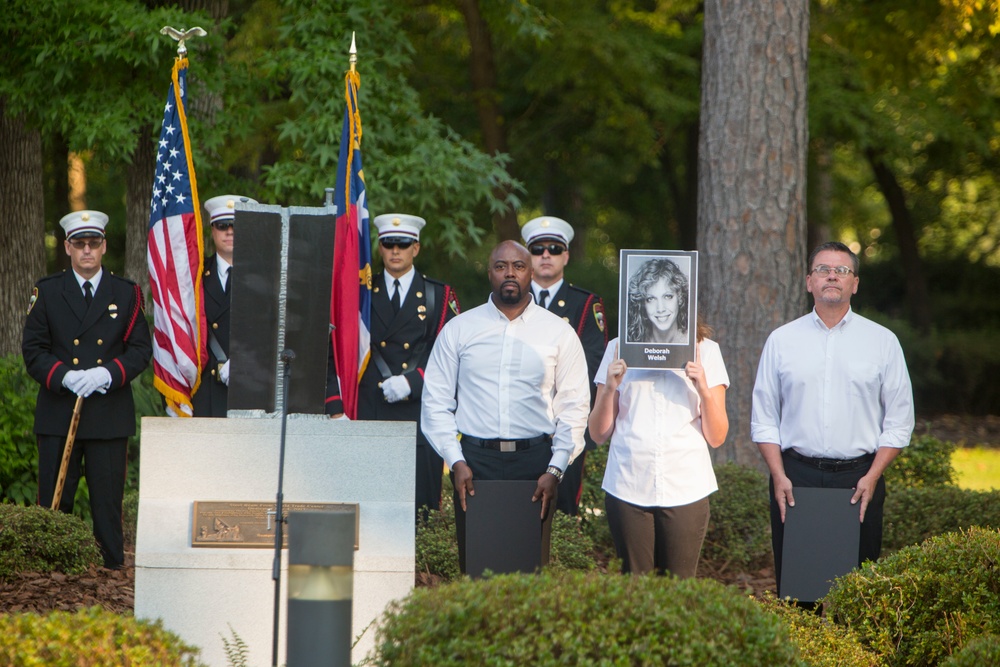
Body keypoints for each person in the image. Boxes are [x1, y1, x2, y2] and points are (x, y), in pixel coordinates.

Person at [751, 241, 914, 594]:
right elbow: (764, 417)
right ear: (809, 281)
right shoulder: (781, 341)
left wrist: (874, 475)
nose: (832, 276)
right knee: (798, 590)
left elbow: (900, 421)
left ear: (854, 283)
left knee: (858, 594)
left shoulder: (882, 342)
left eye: (842, 271)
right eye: (823, 269)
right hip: (795, 479)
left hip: (860, 481)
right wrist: (777, 475)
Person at [421, 240, 591, 572]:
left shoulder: (559, 333)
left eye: (518, 266)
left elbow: (574, 406)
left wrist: (555, 469)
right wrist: (455, 462)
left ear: (530, 272)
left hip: (536, 466)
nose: (509, 273)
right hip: (474, 466)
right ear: (489, 273)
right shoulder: (459, 329)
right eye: (501, 266)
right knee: (476, 567)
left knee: (529, 570)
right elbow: (436, 403)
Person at [22, 210, 152, 569]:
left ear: (104, 246)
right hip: (59, 411)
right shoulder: (46, 292)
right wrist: (64, 375)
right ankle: (48, 572)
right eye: (79, 244)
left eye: (94, 243)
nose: (87, 251)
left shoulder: (125, 294)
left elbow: (141, 350)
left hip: (107, 414)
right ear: (67, 247)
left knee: (107, 504)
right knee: (54, 499)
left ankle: (110, 571)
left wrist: (107, 374)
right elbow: (33, 351)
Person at [588, 319, 729, 577]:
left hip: (686, 486)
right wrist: (609, 388)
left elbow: (717, 436)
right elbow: (598, 433)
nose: (661, 307)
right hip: (628, 485)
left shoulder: (706, 350)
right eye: (651, 296)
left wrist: (704, 390)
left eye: (669, 296)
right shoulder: (619, 348)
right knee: (635, 589)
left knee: (678, 591)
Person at [358, 213, 460, 518]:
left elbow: (452, 356)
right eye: (388, 243)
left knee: (419, 508)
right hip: (371, 408)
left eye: (403, 244)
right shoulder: (361, 292)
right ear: (379, 247)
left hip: (419, 412)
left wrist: (413, 381)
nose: (395, 251)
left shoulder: (439, 296)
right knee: (370, 504)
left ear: (416, 248)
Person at [521, 216, 607, 516]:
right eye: (538, 248)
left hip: (564, 418)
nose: (546, 255)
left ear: (566, 256)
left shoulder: (586, 304)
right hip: (518, 418)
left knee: (563, 505)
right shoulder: (510, 300)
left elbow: (594, 360)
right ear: (528, 256)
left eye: (554, 249)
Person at [192, 195, 258, 418]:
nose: (229, 232)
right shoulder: (195, 276)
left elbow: (275, 331)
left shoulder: (265, 276)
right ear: (212, 230)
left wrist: (244, 361)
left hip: (252, 389)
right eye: (222, 226)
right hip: (207, 391)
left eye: (235, 226)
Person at [627, 258, 689, 345]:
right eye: (650, 299)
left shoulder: (705, 348)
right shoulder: (619, 348)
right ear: (643, 303)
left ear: (680, 298)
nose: (660, 309)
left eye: (668, 296)